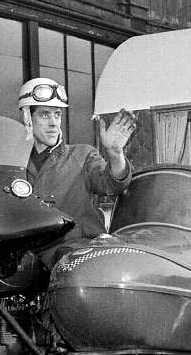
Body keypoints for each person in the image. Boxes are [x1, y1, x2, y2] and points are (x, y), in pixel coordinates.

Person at [18, 77, 136, 268]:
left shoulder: (82, 155)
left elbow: (111, 183)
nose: (53, 123)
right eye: (45, 115)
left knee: (69, 264)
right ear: (27, 117)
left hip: (73, 250)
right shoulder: (13, 162)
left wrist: (115, 154)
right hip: (26, 254)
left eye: (57, 115)